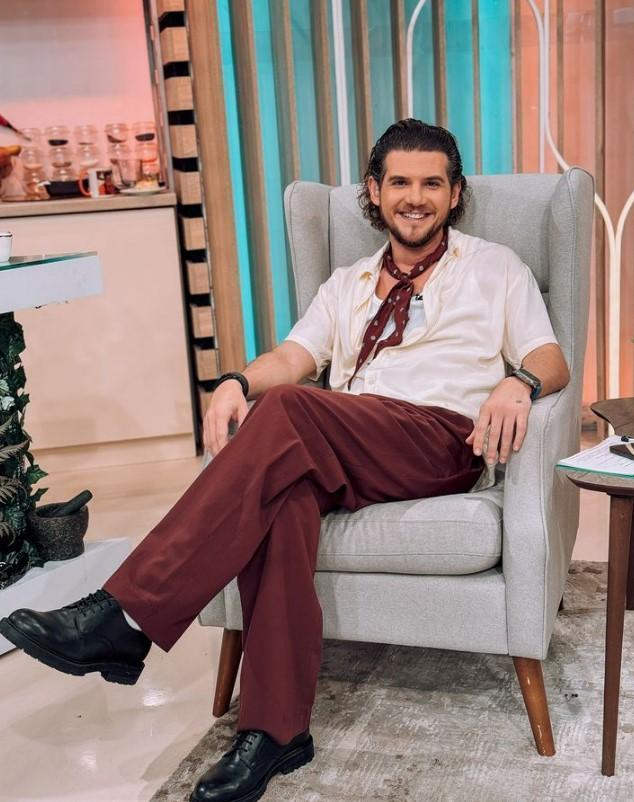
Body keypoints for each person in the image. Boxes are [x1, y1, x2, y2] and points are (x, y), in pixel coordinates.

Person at [0, 120, 569, 802]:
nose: (414, 198)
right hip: (347, 441)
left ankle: (124, 616)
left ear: (454, 194)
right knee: (283, 500)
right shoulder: (347, 283)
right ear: (374, 191)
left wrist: (519, 382)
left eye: (431, 184)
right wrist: (237, 380)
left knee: (290, 410)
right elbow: (293, 357)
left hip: (438, 441)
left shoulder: (494, 267)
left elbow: (550, 356)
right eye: (399, 182)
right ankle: (274, 733)